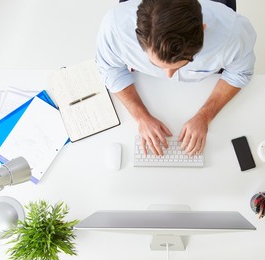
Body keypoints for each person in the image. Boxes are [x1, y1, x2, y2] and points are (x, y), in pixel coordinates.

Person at [96, 0, 256, 156]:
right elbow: (110, 70)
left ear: (203, 30)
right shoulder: (115, 28)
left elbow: (239, 73)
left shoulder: (233, 33)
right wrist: (141, 116)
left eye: (181, 64)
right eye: (157, 64)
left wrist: (205, 116)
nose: (169, 75)